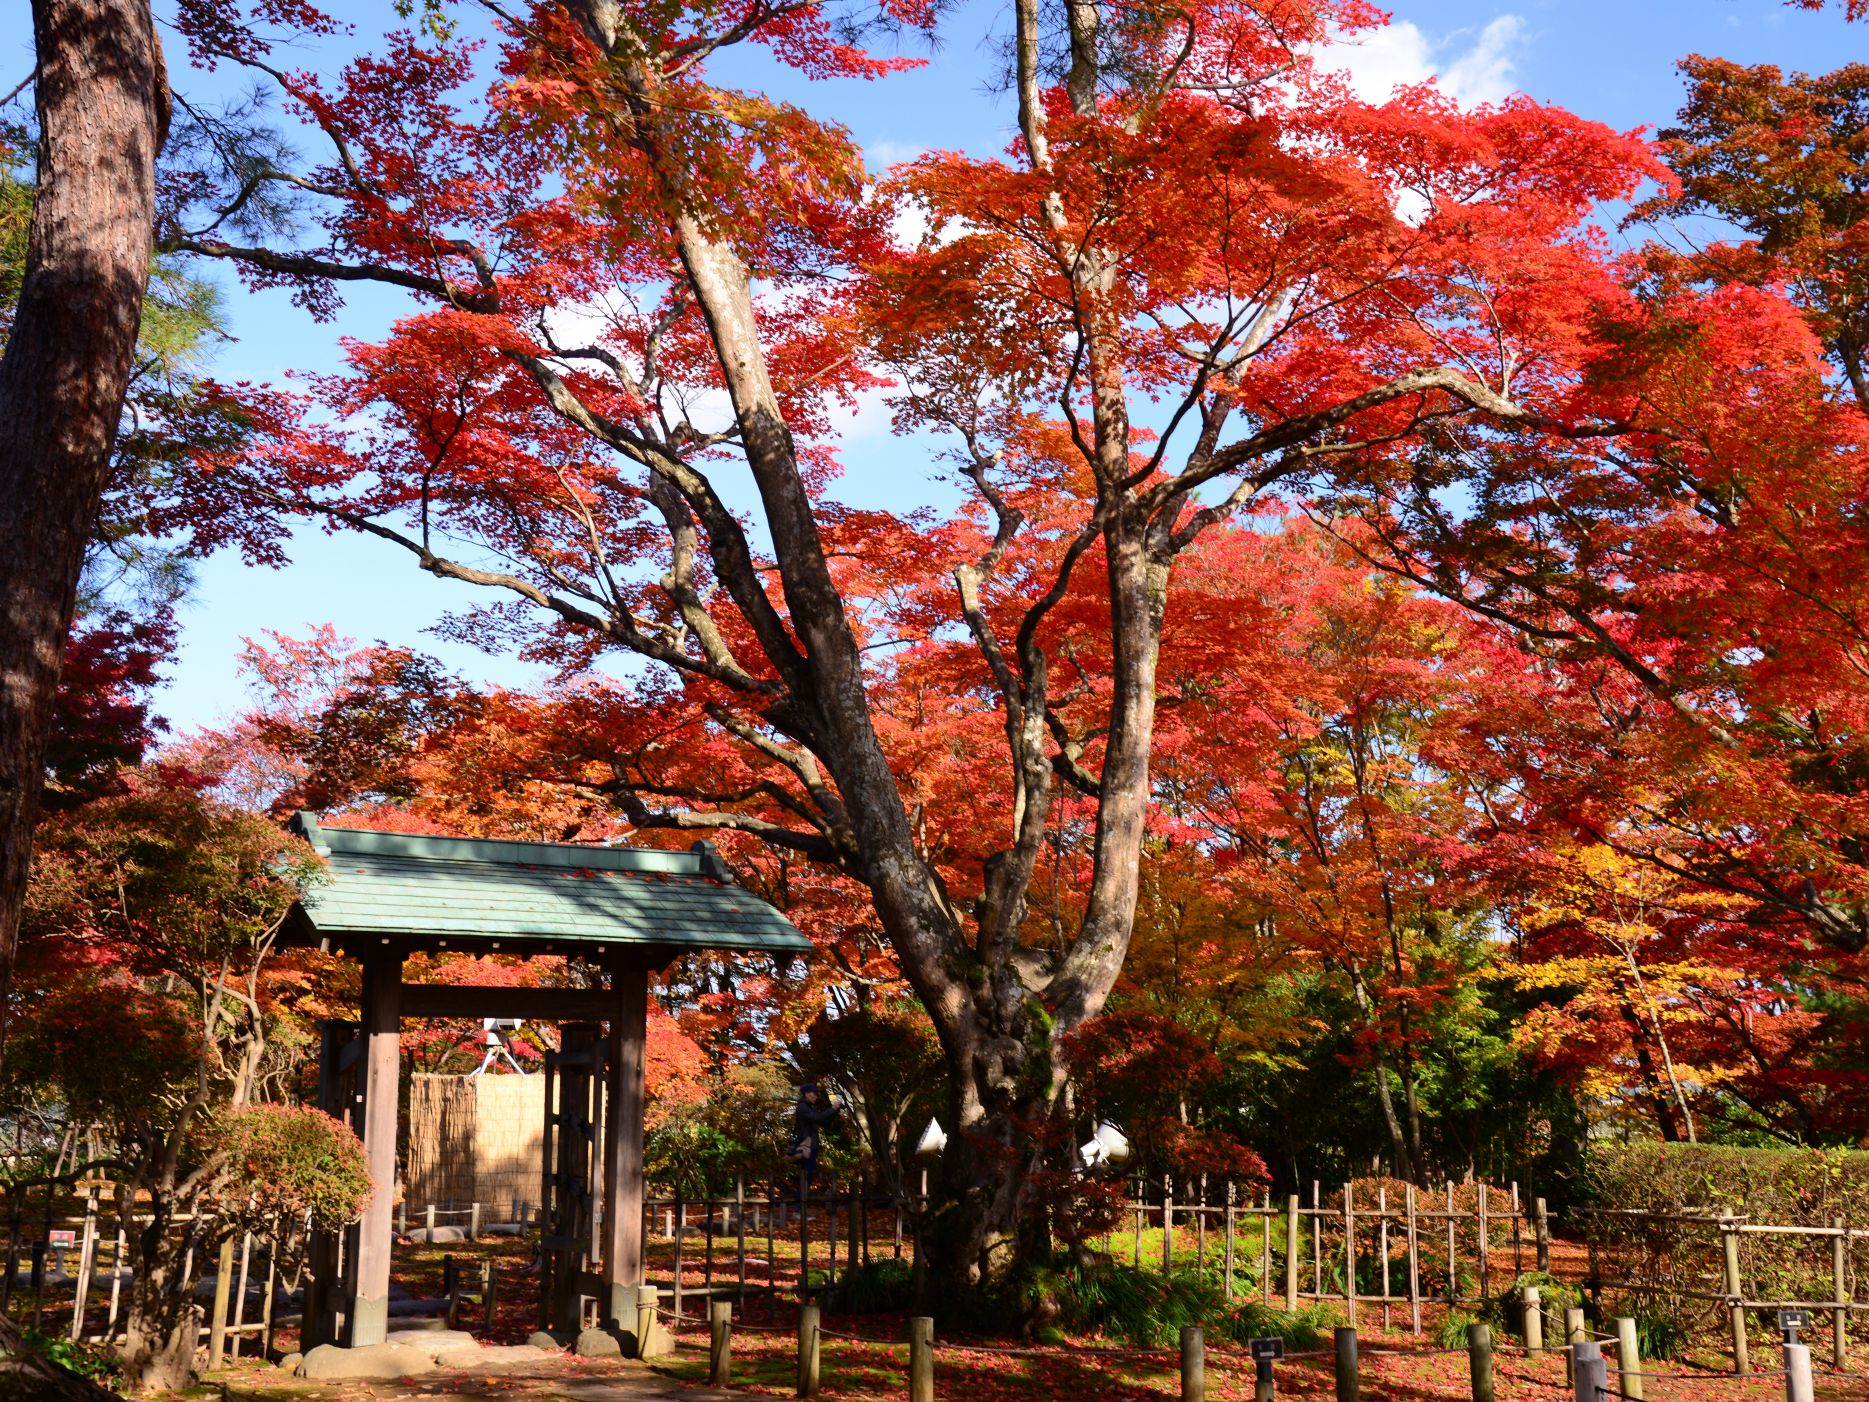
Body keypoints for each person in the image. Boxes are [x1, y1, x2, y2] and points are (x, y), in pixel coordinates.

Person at [786, 1082, 839, 1192]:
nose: (816, 1096)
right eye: (813, 1093)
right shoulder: (803, 1108)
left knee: (807, 1174)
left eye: (816, 1094)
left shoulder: (809, 1107)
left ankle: (800, 1204)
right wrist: (832, 1109)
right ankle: (799, 1205)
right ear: (806, 1094)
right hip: (807, 1145)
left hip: (809, 1145)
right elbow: (819, 1118)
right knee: (807, 1175)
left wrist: (834, 1111)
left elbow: (823, 1121)